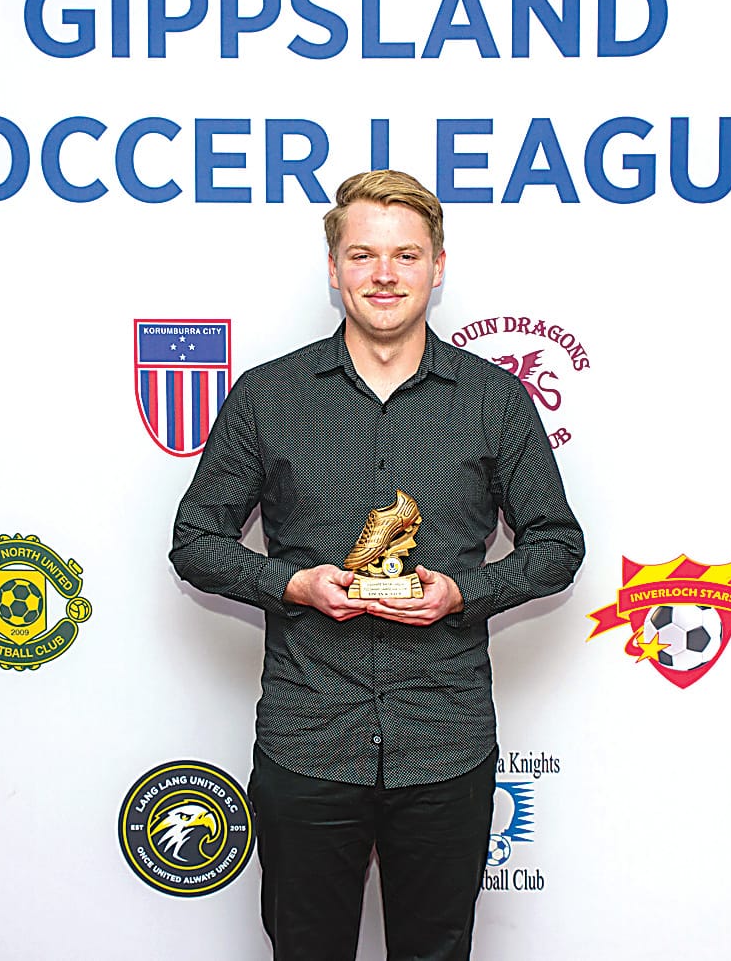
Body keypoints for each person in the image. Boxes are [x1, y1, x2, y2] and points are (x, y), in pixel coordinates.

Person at [170, 169, 584, 961]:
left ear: (437, 265)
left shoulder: (494, 400)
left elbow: (556, 545)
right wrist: (290, 583)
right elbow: (196, 539)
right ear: (333, 270)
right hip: (307, 734)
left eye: (405, 254)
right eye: (362, 255)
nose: (384, 274)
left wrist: (464, 593)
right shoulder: (267, 395)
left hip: (444, 739)